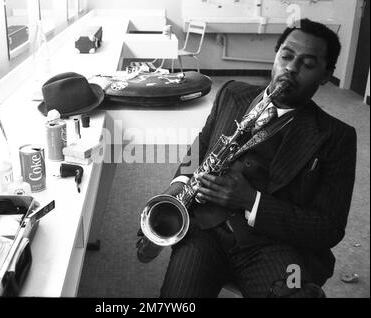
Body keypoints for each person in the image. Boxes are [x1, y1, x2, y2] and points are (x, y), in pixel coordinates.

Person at [137, 18, 357, 298]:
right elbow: (200, 148)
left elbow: (329, 227)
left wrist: (251, 201)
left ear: (326, 75)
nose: (291, 68)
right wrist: (178, 186)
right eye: (286, 56)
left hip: (276, 245)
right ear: (276, 56)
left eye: (308, 64)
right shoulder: (231, 94)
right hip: (204, 229)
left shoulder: (337, 136)